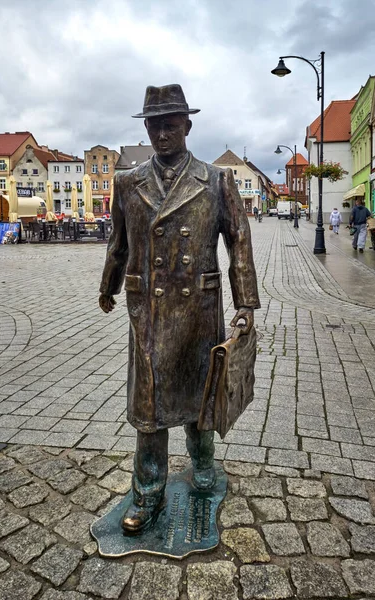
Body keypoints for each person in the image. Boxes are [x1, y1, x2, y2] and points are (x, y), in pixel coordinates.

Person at [99, 84, 260, 533]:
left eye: (170, 124)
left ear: (187, 126)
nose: (161, 133)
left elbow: (239, 243)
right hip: (148, 307)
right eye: (154, 125)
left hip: (198, 303)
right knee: (149, 404)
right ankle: (147, 491)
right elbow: (119, 240)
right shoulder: (127, 182)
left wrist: (246, 302)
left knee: (199, 389)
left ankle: (202, 462)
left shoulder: (215, 179)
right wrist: (108, 284)